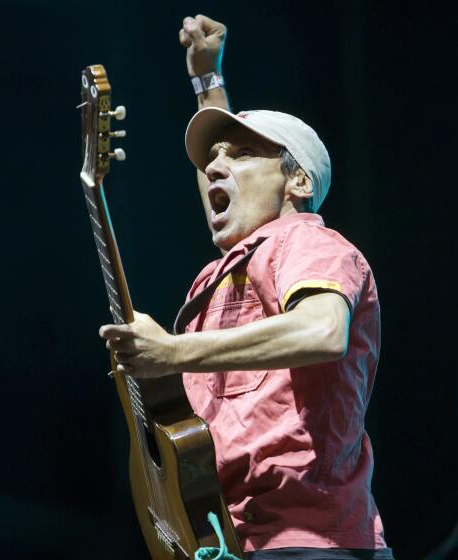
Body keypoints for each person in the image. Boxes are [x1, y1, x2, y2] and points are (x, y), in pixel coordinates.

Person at [98, 13, 392, 560]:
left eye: (239, 153)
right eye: (211, 158)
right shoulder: (224, 273)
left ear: (298, 181)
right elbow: (224, 180)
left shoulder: (309, 243)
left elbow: (323, 330)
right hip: (231, 540)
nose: (214, 167)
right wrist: (206, 80)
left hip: (312, 544)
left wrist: (173, 351)